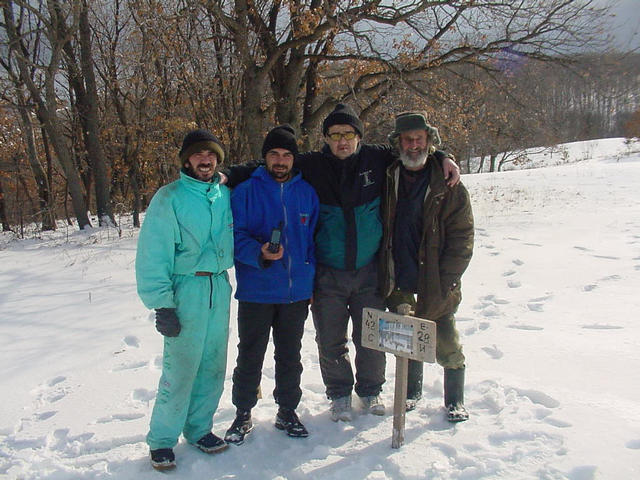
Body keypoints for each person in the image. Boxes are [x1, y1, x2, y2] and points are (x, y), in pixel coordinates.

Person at [223, 104, 460, 422]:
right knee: (331, 338)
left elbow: (414, 149)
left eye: (348, 134)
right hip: (328, 273)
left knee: (371, 336)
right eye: (335, 135)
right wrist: (230, 175)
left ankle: (370, 389)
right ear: (326, 138)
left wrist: (442, 156)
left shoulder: (377, 158)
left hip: (369, 271)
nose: (342, 141)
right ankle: (338, 393)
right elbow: (268, 164)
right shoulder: (312, 164)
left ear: (359, 137)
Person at [135, 129, 234, 470]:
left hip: (219, 287)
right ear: (187, 161)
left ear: (217, 160)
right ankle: (162, 439)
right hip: (186, 289)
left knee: (212, 364)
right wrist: (163, 303)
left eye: (211, 154)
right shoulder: (170, 198)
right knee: (181, 368)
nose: (205, 159)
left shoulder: (223, 194)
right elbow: (153, 253)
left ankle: (199, 428)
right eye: (197, 154)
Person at [224, 125, 319, 444]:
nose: (280, 161)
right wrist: (259, 252)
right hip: (257, 290)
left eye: (286, 155)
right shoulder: (245, 192)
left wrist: (309, 277)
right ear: (264, 157)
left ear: (294, 159)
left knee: (290, 355)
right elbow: (232, 237)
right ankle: (242, 413)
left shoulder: (307, 192)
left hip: (295, 293)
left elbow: (314, 240)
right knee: (250, 353)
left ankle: (287, 411)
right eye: (274, 154)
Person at [379, 111, 474, 422]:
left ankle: (455, 400)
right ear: (399, 143)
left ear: (430, 141)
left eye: (420, 139)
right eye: (408, 139)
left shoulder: (448, 182)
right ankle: (411, 393)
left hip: (436, 278)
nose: (414, 144)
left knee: (446, 341)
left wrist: (448, 278)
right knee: (407, 340)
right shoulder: (388, 174)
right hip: (399, 275)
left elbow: (463, 235)